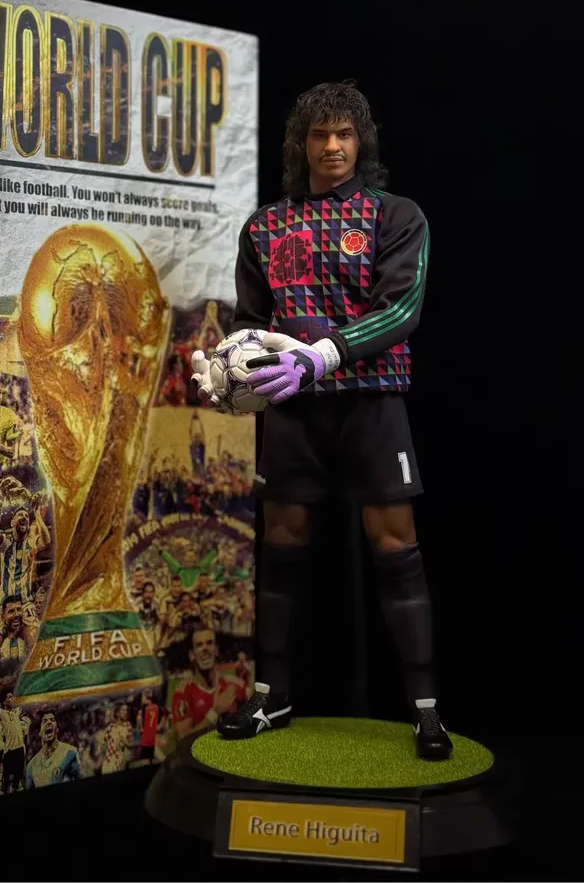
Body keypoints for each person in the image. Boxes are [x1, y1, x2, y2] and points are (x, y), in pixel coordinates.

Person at [191, 81, 452, 760]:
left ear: (361, 142)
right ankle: (271, 695)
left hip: (371, 400)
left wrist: (324, 354)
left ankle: (426, 710)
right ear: (300, 143)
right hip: (294, 409)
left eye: (344, 134)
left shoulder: (396, 215)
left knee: (396, 548)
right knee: (280, 546)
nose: (332, 145)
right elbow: (252, 323)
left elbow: (402, 310)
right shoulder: (264, 226)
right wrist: (227, 372)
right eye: (319, 134)